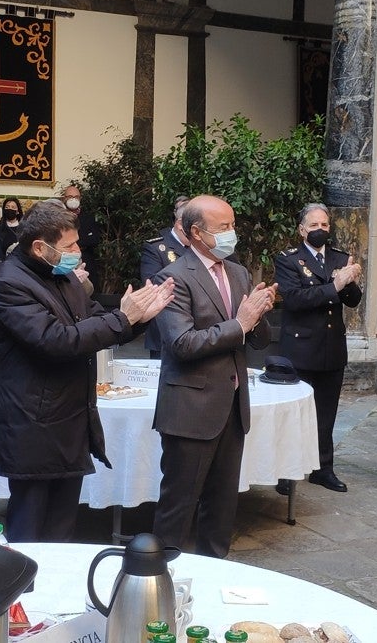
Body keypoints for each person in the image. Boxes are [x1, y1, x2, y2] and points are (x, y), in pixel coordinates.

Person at [0, 202, 173, 542]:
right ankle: (22, 593)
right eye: (69, 246)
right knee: (31, 525)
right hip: (34, 422)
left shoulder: (64, 275)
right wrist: (123, 318)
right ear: (40, 247)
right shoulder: (10, 283)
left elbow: (95, 319)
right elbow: (55, 340)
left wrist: (139, 316)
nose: (77, 252)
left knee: (62, 525)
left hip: (70, 417)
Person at [151, 195, 273, 557]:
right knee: (179, 505)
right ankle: (160, 581)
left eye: (233, 225)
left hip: (232, 408)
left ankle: (215, 570)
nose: (231, 234)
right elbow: (181, 343)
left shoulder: (237, 271)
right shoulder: (171, 277)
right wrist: (241, 322)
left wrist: (260, 312)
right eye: (222, 228)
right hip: (190, 409)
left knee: (222, 507)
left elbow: (257, 338)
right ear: (195, 233)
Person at [274, 203, 363, 493]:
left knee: (326, 414)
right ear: (302, 230)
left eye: (325, 225)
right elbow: (295, 299)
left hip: (331, 347)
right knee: (294, 414)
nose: (320, 230)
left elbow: (352, 300)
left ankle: (323, 469)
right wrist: (335, 286)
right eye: (314, 226)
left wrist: (350, 282)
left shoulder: (338, 257)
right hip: (300, 347)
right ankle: (285, 474)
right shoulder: (288, 259)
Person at [140, 197, 190, 359]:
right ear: (180, 224)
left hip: (197, 332)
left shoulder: (200, 246)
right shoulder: (156, 248)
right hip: (165, 331)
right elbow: (153, 285)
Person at [62, 184, 101, 290]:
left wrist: (74, 244)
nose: (73, 199)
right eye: (70, 197)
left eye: (76, 197)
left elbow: (94, 239)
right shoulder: (58, 217)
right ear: (64, 199)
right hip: (64, 261)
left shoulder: (88, 218)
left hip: (86, 261)